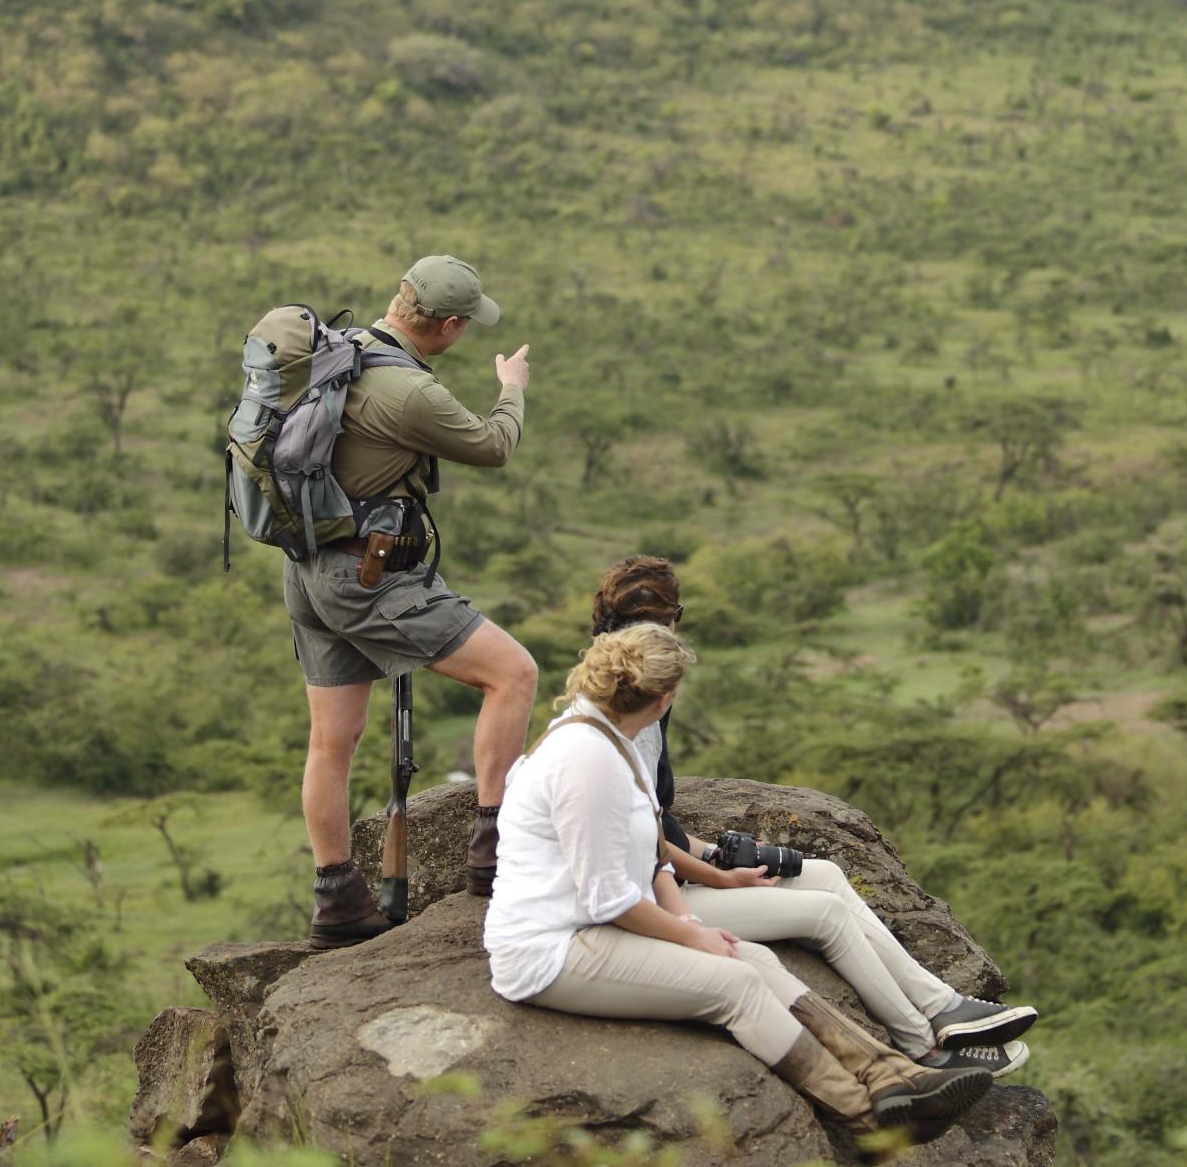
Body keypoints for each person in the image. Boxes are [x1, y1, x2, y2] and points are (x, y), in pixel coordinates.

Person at [484, 622, 991, 1142]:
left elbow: (655, 860)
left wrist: (688, 920)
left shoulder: (613, 743)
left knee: (755, 959)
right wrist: (692, 936)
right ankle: (864, 1117)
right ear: (662, 700)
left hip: (594, 925)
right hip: (550, 948)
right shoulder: (585, 760)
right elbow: (606, 896)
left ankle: (892, 1076)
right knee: (736, 986)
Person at [583, 556, 1041, 1076]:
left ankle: (941, 1007)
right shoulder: (627, 723)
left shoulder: (625, 700)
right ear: (667, 628)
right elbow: (643, 850)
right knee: (826, 914)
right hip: (653, 904)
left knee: (825, 874)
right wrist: (719, 877)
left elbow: (652, 824)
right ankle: (922, 1047)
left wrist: (711, 853)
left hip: (665, 880)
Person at [288, 254, 541, 949]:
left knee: (331, 741)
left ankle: (336, 901)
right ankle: (494, 856)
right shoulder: (410, 392)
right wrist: (510, 387)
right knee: (513, 674)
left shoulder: (335, 354)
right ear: (452, 326)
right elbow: (492, 447)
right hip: (369, 578)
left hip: (309, 567)